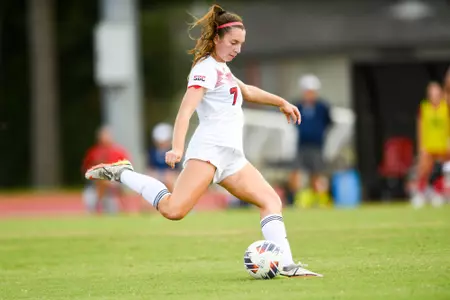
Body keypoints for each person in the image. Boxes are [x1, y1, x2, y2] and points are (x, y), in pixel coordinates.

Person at [85, 4, 322, 277]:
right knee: (174, 210)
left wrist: (281, 102)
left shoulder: (223, 69)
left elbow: (246, 91)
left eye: (241, 44)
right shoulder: (205, 68)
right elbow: (186, 110)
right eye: (233, 42)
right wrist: (177, 147)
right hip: (208, 152)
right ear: (217, 39)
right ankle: (123, 172)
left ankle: (287, 264)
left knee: (271, 201)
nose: (237, 49)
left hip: (233, 157)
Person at [288, 75, 332, 206]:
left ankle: (317, 199)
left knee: (316, 173)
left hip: (317, 146)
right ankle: (296, 199)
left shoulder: (323, 107)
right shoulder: (298, 106)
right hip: (301, 145)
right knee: (296, 171)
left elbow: (328, 122)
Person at [412, 82, 449, 208]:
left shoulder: (445, 107)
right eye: (432, 93)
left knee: (439, 171)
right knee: (424, 170)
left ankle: (438, 194)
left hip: (442, 145)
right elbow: (420, 128)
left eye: (437, 93)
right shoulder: (424, 108)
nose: (435, 96)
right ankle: (420, 194)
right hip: (428, 145)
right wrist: (421, 146)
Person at [81, 126, 129, 213]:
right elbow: (86, 169)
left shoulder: (119, 152)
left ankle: (100, 205)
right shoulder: (93, 152)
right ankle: (99, 204)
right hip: (97, 182)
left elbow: (126, 168)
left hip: (115, 180)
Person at [147, 122, 179, 192]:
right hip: (157, 174)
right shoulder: (152, 152)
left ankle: (174, 199)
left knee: (170, 180)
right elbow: (150, 168)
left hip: (170, 175)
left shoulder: (174, 152)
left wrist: (168, 175)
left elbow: (176, 170)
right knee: (149, 182)